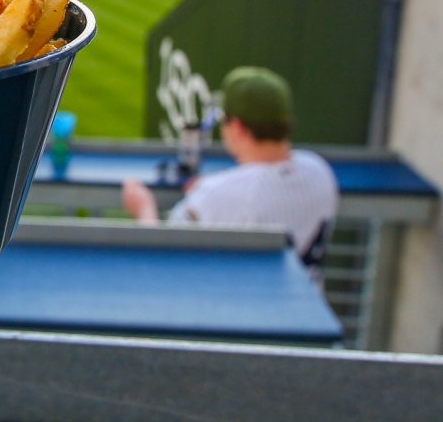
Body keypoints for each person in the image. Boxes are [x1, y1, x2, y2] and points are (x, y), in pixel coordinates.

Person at [121, 67, 339, 271]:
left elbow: (158, 260)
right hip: (308, 306)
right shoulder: (319, 169)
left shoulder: (218, 195)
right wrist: (212, 189)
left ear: (237, 128)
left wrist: (144, 208)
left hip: (237, 310)